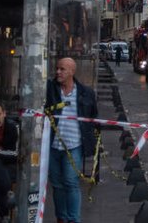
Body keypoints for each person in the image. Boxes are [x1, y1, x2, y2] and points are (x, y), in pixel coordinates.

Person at [45, 57, 98, 223]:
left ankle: (74, 219)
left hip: (74, 145)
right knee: (57, 185)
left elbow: (93, 118)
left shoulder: (85, 92)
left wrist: (93, 143)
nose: (58, 72)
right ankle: (61, 217)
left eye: (62, 69)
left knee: (71, 183)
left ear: (72, 72)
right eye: (57, 68)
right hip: (53, 146)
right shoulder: (50, 89)